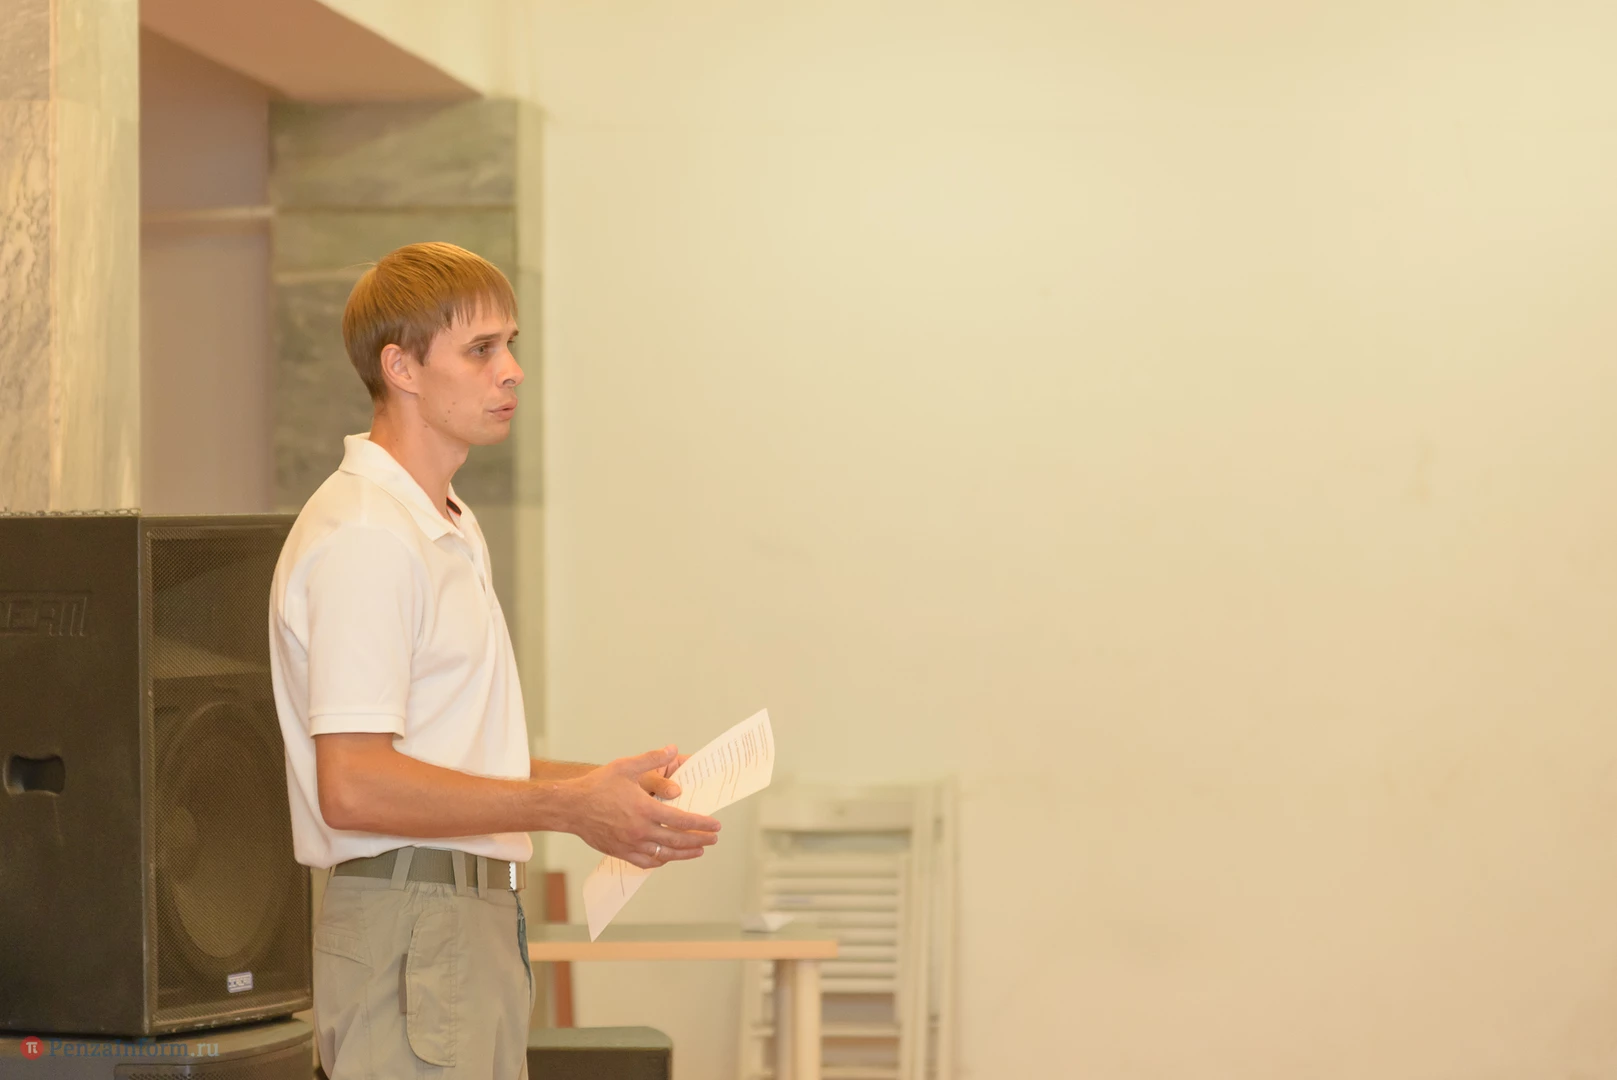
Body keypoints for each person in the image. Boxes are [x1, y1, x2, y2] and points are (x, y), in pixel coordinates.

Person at [268, 241, 722, 1079]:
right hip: (415, 916)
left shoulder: (444, 521)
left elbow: (451, 759)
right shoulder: (369, 535)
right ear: (401, 367)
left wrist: (601, 785)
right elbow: (354, 783)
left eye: (510, 345)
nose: (510, 371)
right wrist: (567, 807)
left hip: (458, 918)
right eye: (480, 350)